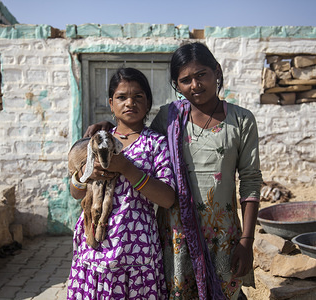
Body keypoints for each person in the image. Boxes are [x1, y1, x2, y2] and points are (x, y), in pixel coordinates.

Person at [85, 42, 262, 300]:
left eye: (201, 75)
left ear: (217, 72)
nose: (195, 85)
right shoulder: (170, 117)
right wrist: (110, 127)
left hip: (223, 237)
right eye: (185, 80)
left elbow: (250, 181)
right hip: (175, 237)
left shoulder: (241, 120)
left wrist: (247, 240)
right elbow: (136, 136)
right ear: (176, 85)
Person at [67, 67, 176, 300]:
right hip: (94, 244)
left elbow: (167, 198)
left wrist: (126, 168)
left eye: (138, 96)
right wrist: (85, 175)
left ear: (148, 102)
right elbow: (76, 192)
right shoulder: (98, 141)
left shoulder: (156, 144)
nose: (130, 103)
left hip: (135, 248)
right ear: (110, 102)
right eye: (121, 97)